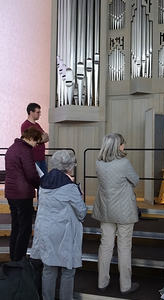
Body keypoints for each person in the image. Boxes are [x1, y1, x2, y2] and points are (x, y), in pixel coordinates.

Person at [30, 150, 87, 300]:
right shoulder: (70, 187)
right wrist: (80, 195)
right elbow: (81, 213)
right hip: (64, 232)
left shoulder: (43, 184)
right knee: (68, 270)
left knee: (49, 268)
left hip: (46, 229)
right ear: (68, 167)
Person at [92, 133, 140, 294]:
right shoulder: (123, 163)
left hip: (106, 208)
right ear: (117, 146)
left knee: (105, 246)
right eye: (122, 144)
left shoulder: (99, 163)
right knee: (124, 247)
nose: (124, 146)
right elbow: (135, 180)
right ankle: (125, 285)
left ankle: (101, 282)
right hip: (124, 210)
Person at [5, 127, 42, 261]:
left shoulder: (12, 148)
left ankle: (13, 259)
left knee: (16, 227)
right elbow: (31, 174)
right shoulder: (25, 150)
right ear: (31, 138)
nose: (36, 145)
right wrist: (40, 185)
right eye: (36, 142)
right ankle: (19, 260)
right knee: (25, 229)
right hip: (22, 194)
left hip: (10, 193)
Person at [21, 103, 49, 175]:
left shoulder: (37, 125)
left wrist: (39, 139)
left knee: (45, 180)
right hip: (33, 158)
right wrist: (41, 138)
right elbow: (31, 140)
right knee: (36, 180)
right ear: (31, 112)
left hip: (41, 158)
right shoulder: (25, 125)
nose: (40, 114)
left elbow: (47, 137)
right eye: (38, 112)